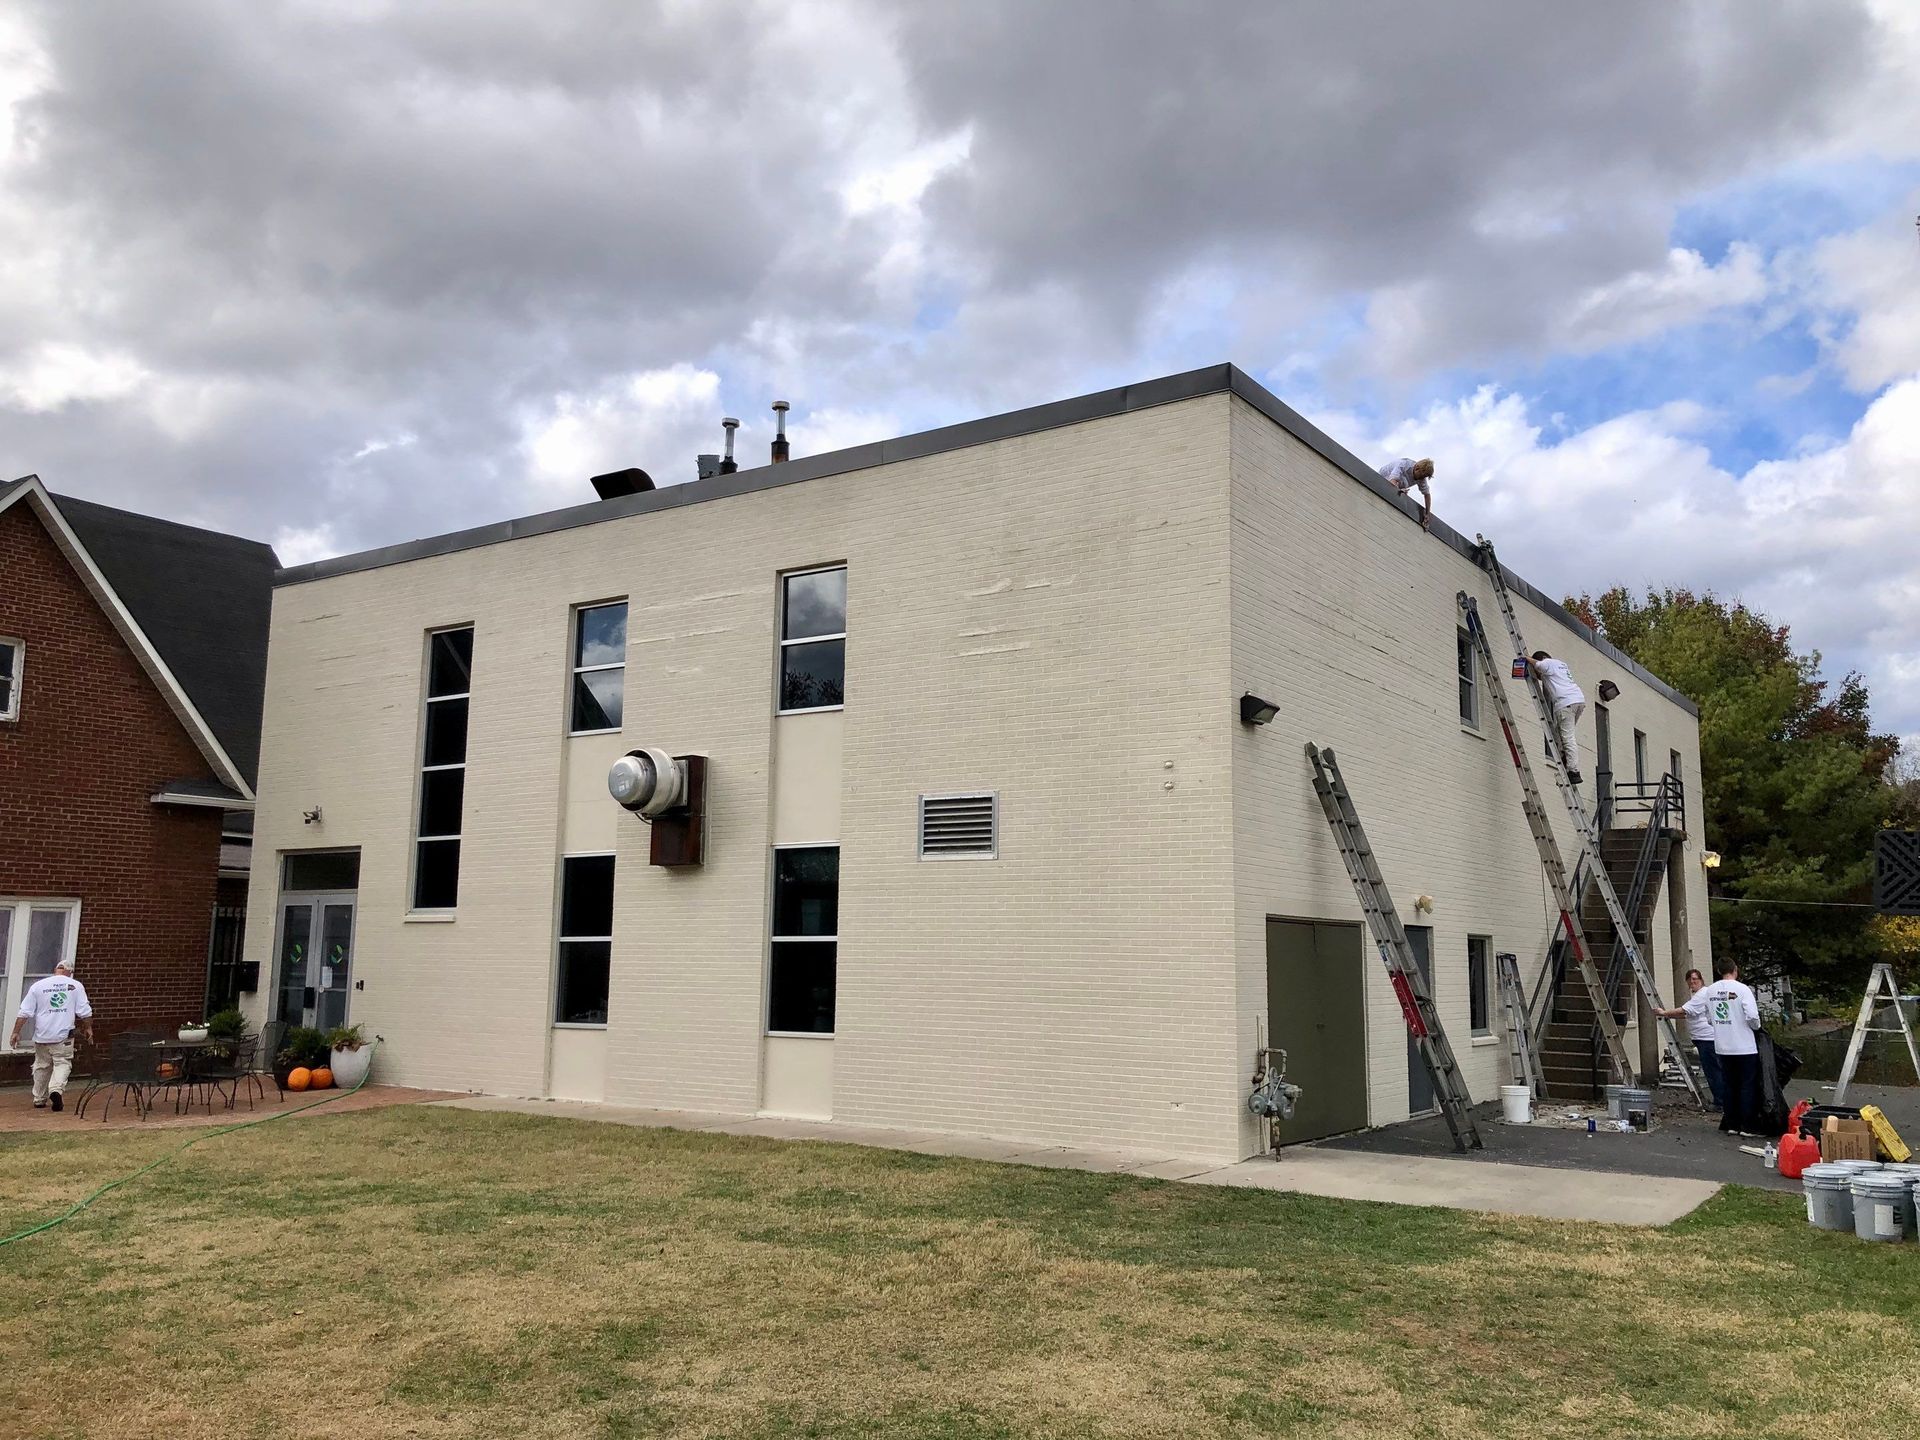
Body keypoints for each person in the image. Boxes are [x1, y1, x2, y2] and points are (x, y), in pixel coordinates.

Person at [1658, 958, 1761, 1135]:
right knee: (1746, 1084)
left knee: (1729, 1084)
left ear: (1719, 971)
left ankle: (1731, 1123)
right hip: (1744, 1045)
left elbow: (1708, 1018)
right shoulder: (1742, 989)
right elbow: (1752, 1015)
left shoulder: (1711, 991)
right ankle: (1747, 1125)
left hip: (1722, 1045)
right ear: (1735, 970)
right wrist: (1755, 1027)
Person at [9, 957, 94, 1113]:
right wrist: (88, 1028)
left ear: (56, 970)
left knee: (41, 1066)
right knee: (62, 1063)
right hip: (63, 1037)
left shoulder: (38, 986)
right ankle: (56, 1090)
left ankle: (39, 1099)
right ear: (70, 972)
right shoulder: (75, 986)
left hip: (42, 1035)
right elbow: (84, 1011)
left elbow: (25, 1012)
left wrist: (16, 1032)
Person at [1526, 649, 1585, 785]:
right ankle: (1565, 758)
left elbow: (1540, 666)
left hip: (1566, 703)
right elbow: (1545, 675)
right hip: (1577, 700)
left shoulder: (1547, 663)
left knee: (1567, 737)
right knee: (1562, 734)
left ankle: (1573, 771)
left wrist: (1525, 658)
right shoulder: (1560, 665)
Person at [1675, 968, 1724, 1110]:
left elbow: (1684, 1010)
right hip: (1705, 1038)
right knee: (1714, 1071)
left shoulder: (1702, 995)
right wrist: (1668, 1015)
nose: (1692, 982)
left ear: (1701, 980)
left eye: (1695, 979)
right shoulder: (1700, 995)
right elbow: (1688, 1014)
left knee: (1713, 1072)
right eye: (1690, 980)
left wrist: (1664, 1012)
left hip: (1707, 1039)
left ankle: (1720, 1103)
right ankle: (1721, 1101)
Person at [1377, 457, 1433, 530]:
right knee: (1403, 483)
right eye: (1421, 476)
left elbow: (1427, 495)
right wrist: (1398, 489)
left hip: (1396, 485)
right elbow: (1392, 481)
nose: (1421, 479)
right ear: (1417, 468)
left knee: (1404, 486)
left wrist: (1427, 514)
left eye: (1424, 477)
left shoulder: (1422, 478)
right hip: (1382, 479)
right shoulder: (1403, 464)